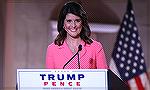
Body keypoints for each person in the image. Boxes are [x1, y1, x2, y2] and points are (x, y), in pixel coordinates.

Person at [46, 1, 108, 69]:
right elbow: (50, 78)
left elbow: (105, 77)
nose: (73, 25)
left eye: (77, 21)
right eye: (69, 21)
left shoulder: (96, 47)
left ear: (82, 23)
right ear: (63, 24)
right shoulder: (52, 49)